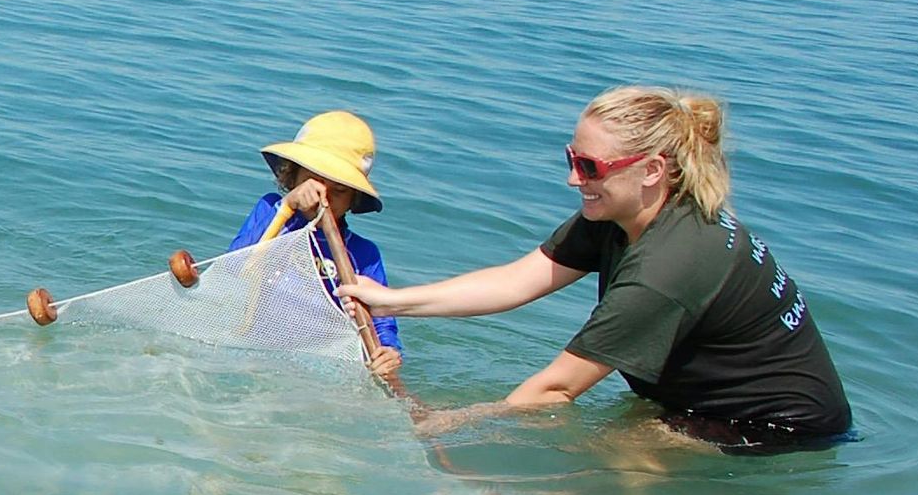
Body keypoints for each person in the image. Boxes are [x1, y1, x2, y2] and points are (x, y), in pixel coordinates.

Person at [341, 87, 851, 451]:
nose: (572, 178)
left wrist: (444, 423)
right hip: (702, 400)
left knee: (620, 453)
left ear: (652, 170)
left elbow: (556, 390)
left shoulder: (667, 267)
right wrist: (392, 300)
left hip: (777, 427)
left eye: (590, 168)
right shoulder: (620, 212)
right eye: (572, 157)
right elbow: (522, 278)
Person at [230, 110, 402, 381]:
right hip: (254, 350)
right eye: (315, 181)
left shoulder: (363, 254)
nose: (324, 196)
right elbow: (236, 268)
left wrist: (388, 352)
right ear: (292, 176)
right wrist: (288, 207)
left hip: (319, 365)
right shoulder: (271, 210)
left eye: (340, 190)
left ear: (354, 198)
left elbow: (382, 320)